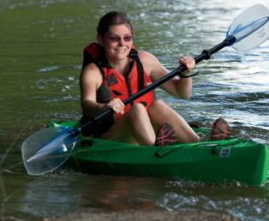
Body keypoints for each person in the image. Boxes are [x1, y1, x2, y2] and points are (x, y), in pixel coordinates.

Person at [79, 11, 229, 146]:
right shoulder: (93, 72)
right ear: (100, 39)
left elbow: (182, 93)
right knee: (137, 108)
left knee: (157, 105)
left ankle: (199, 144)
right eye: (114, 38)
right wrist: (105, 107)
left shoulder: (145, 60)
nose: (122, 44)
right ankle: (155, 151)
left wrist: (186, 73)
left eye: (127, 38)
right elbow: (87, 105)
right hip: (109, 138)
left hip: (142, 131)